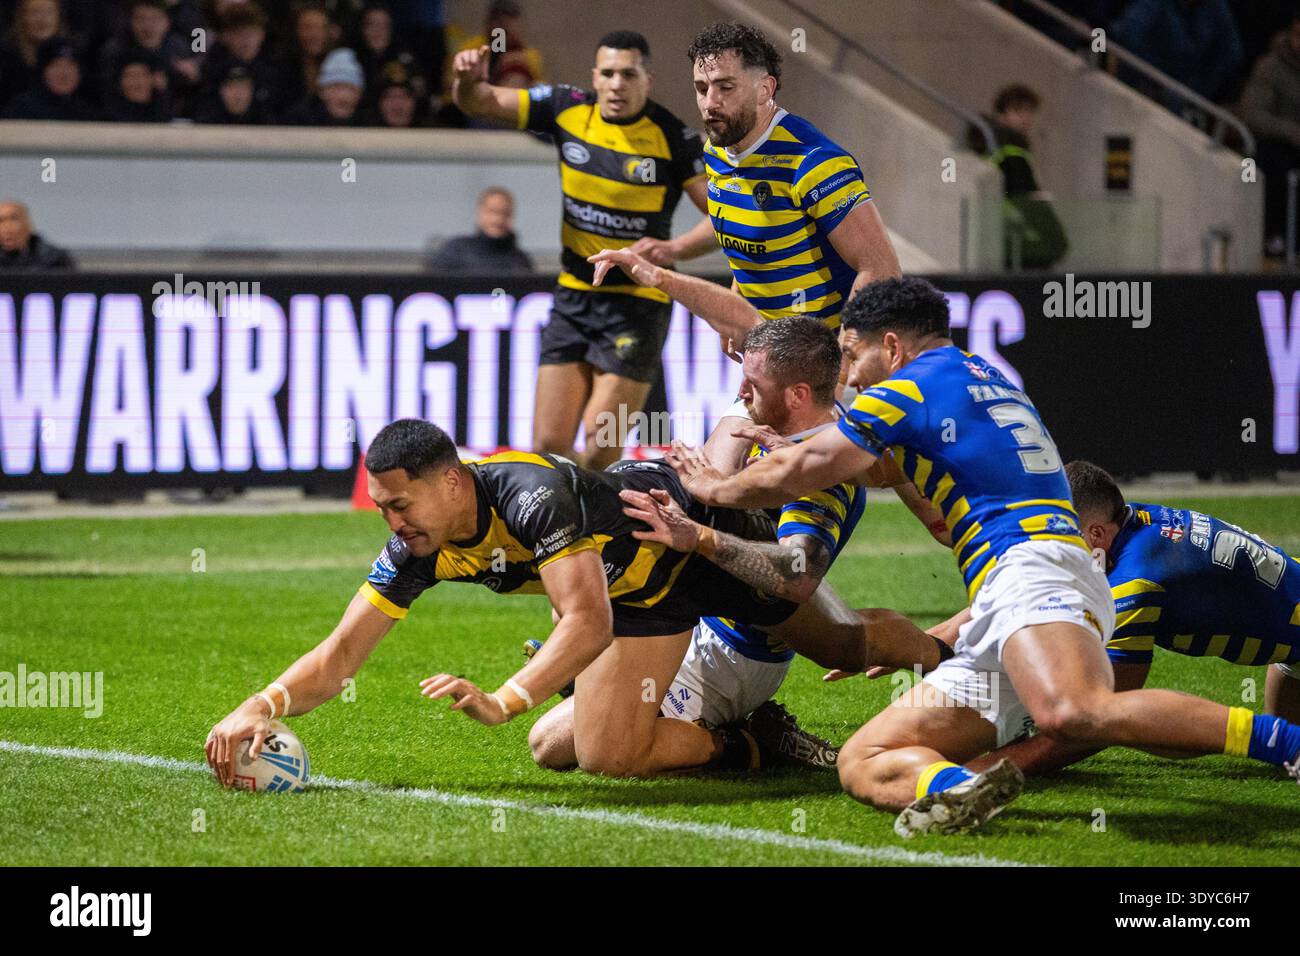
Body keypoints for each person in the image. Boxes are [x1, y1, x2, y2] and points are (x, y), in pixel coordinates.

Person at [666, 276, 1300, 836]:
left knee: (1074, 711)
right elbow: (882, 467)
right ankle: (961, 791)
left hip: (1033, 570)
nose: (849, 377)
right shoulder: (976, 376)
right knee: (866, 759)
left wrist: (713, 487)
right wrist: (799, 443)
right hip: (1010, 596)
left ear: (891, 347)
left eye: (852, 355)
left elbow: (812, 465)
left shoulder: (911, 386)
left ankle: (1286, 741)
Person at [204, 417, 947, 785]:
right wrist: (259, 706)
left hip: (702, 544)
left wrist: (508, 696)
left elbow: (585, 617)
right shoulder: (421, 544)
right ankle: (750, 741)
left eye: (402, 505)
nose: (394, 523)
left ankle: (947, 650)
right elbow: (339, 659)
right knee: (589, 754)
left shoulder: (531, 495)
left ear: (454, 481)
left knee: (844, 645)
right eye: (383, 509)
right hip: (644, 601)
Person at [528, 317, 864, 772]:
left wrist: (701, 537)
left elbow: (796, 575)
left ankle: (751, 743)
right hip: (690, 611)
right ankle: (601, 684)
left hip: (733, 649)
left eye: (752, 383)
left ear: (797, 394)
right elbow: (708, 482)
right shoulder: (767, 414)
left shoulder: (819, 475)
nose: (741, 393)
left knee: (553, 744)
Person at [451, 30, 710, 471]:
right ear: (595, 76)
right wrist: (467, 83)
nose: (616, 84)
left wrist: (674, 248)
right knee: (546, 445)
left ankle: (595, 532)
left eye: (628, 74)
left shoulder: (673, 138)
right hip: (574, 296)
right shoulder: (566, 108)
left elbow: (728, 217)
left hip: (637, 306)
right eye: (607, 73)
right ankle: (564, 534)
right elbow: (481, 103)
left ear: (647, 77)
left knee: (598, 441)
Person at [653, 22, 902, 476]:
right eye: (701, 87)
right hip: (776, 364)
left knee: (913, 493)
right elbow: (746, 240)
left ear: (765, 87)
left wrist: (838, 367)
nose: (710, 102)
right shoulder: (718, 152)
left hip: (830, 367)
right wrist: (736, 306)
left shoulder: (814, 161)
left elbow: (882, 270)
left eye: (725, 86)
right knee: (719, 480)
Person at [956, 459, 1300, 777]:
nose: (1051, 550)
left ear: (1096, 534)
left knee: (1125, 716)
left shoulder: (1135, 582)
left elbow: (1103, 717)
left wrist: (998, 766)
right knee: (1282, 758)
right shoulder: (1135, 522)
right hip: (1293, 647)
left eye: (1059, 537)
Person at [968, 84, 1068, 270]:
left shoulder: (990, 146)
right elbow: (1026, 195)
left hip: (999, 232)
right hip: (1013, 232)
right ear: (1001, 115)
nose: (1026, 118)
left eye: (1029, 112)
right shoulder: (1012, 151)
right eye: (1018, 111)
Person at [1241, 13, 1300, 257]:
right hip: (1278, 147)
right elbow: (1253, 114)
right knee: (1271, 165)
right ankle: (1276, 242)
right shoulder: (1271, 67)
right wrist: (1291, 131)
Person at [427, 187, 533, 274]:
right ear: (480, 213)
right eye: (492, 211)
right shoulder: (455, 251)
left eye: (505, 213)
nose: (498, 219)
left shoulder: (520, 261)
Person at [3, 38, 94, 121]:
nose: (64, 73)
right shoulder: (21, 109)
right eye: (56, 65)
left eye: (71, 66)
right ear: (42, 72)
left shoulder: (87, 112)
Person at [0, 0, 63, 110]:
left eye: (48, 12)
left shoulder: (71, 56)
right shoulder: (7, 56)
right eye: (35, 12)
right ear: (22, 17)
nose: (42, 19)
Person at [284, 46, 365, 125]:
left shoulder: (369, 121)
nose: (342, 95)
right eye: (336, 87)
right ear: (321, 92)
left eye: (350, 88)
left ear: (360, 93)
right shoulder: (299, 119)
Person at [0, 200, 75, 271]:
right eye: (1, 221)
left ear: (28, 225)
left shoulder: (54, 259)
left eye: (13, 219)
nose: (7, 228)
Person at [102, 51, 174, 123]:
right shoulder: (105, 119)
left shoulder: (166, 116)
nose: (138, 83)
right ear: (120, 82)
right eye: (131, 76)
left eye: (143, 75)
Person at [194, 63, 271, 124]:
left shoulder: (266, 123)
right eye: (231, 87)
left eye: (244, 87)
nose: (238, 94)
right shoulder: (205, 124)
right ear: (221, 91)